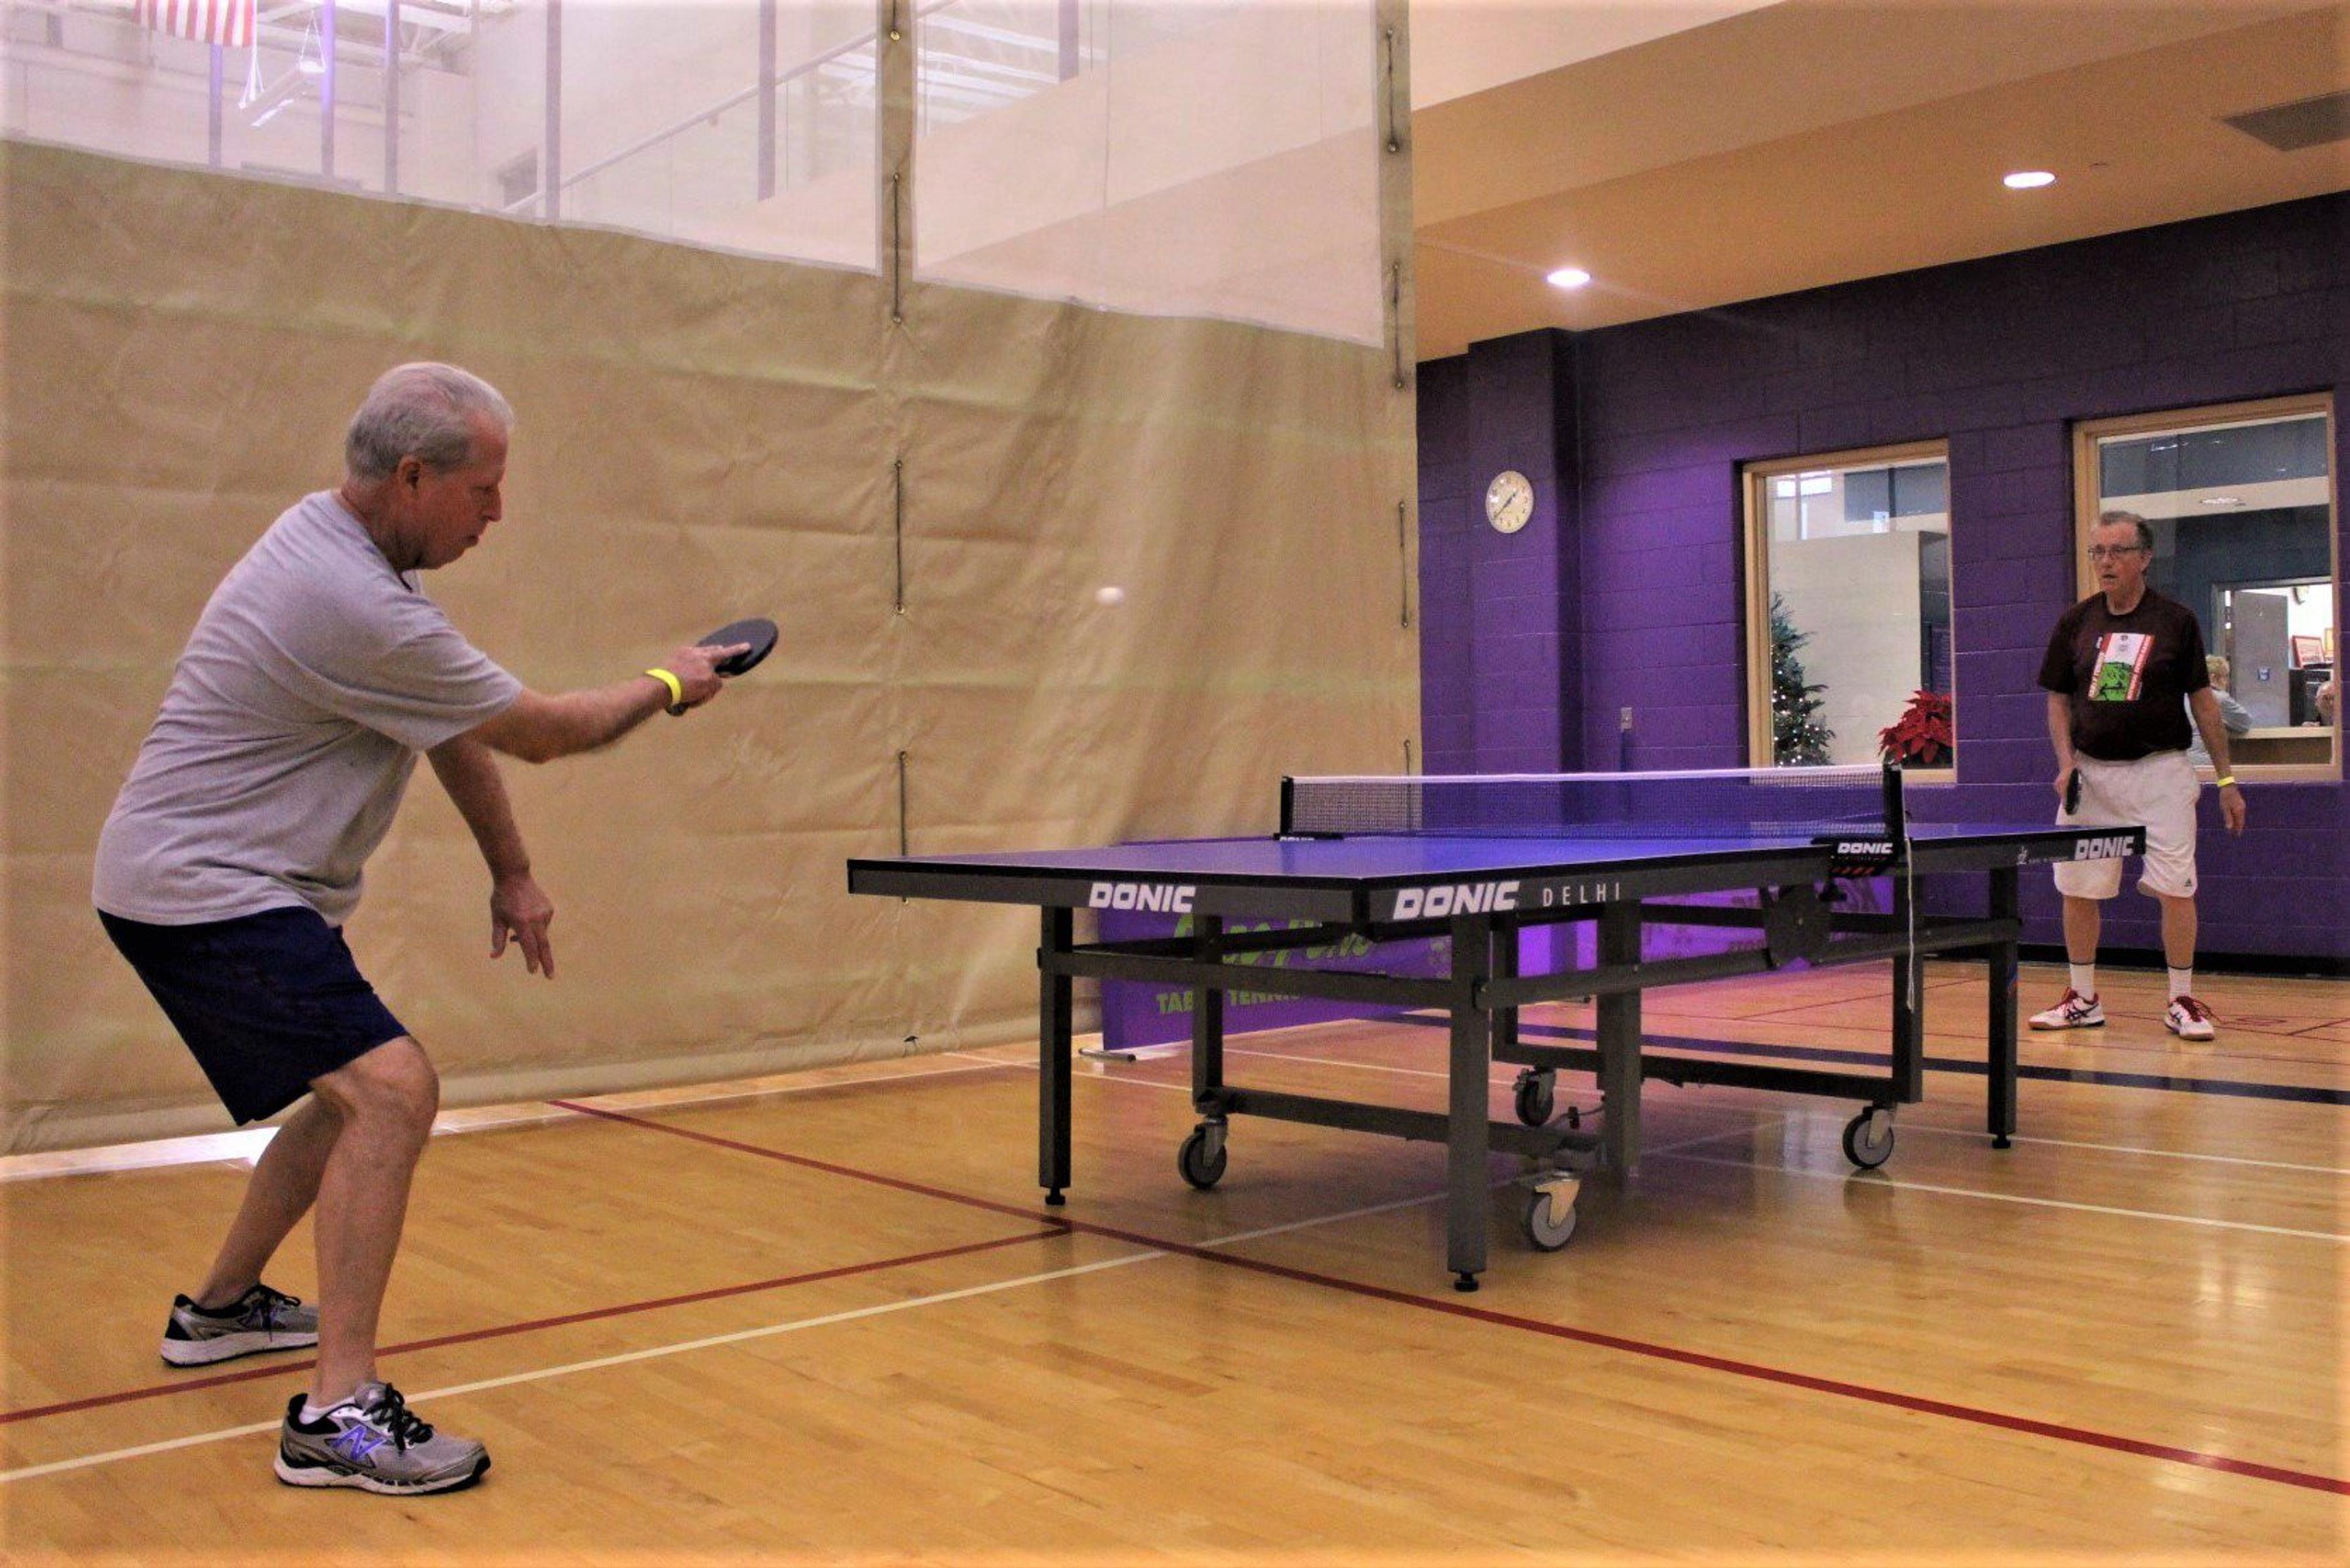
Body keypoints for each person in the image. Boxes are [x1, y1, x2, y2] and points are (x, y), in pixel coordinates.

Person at [93, 364, 745, 1495]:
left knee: (344, 1096)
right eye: (484, 489)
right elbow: (542, 730)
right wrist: (670, 681)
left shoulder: (341, 555)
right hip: (204, 889)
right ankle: (338, 1416)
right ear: (412, 477)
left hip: (214, 884)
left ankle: (220, 1312)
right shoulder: (347, 598)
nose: (498, 514)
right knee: (392, 1089)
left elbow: (447, 728)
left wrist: (513, 869)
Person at [2031, 510, 2246, 1043]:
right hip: (2093, 776)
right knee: (2078, 888)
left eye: (2117, 551)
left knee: (2176, 887)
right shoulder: (2076, 623)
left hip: (2161, 774)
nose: (2106, 562)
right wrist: (2065, 765)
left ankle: (2180, 1001)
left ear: (2145, 558)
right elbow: (2058, 701)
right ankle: (2083, 998)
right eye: (2098, 552)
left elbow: (2205, 705)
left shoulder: (2176, 621)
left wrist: (2225, 780)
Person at [2185, 655, 2253, 766]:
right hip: (2204, 764)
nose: (2227, 683)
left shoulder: (2184, 696)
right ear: (2212, 678)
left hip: (2180, 762)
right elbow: (2245, 723)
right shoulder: (2219, 698)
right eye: (2225, 677)